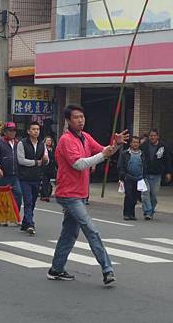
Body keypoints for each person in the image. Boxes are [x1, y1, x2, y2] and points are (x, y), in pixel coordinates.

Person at [48, 104, 128, 286]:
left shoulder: (85, 137)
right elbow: (79, 164)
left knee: (69, 234)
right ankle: (107, 269)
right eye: (76, 117)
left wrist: (116, 144)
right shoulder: (66, 140)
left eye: (82, 117)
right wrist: (104, 154)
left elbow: (103, 151)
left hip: (80, 193)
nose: (80, 120)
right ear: (68, 120)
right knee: (91, 230)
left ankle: (56, 269)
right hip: (69, 194)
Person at [16, 121, 48, 235]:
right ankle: (30, 224)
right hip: (24, 177)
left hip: (37, 177)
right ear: (28, 131)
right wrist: (36, 162)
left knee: (33, 202)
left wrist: (45, 160)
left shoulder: (42, 144)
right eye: (33, 129)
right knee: (28, 201)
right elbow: (21, 160)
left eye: (37, 129)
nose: (36, 131)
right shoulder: (22, 143)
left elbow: (46, 159)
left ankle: (25, 222)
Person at [0, 122, 23, 218]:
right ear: (5, 132)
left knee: (18, 193)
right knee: (3, 196)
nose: (12, 133)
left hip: (15, 174)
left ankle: (15, 215)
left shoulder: (18, 143)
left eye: (14, 130)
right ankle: (3, 216)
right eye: (10, 130)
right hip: (3, 174)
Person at [140, 129, 171, 220]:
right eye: (151, 136)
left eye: (154, 135)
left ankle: (151, 210)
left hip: (157, 175)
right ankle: (147, 211)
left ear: (157, 136)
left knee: (153, 195)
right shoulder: (144, 146)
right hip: (144, 174)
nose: (152, 137)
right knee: (145, 193)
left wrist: (168, 172)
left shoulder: (163, 147)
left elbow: (167, 160)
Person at [117, 136, 145, 221]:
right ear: (130, 143)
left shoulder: (142, 154)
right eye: (134, 142)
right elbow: (120, 166)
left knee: (135, 196)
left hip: (139, 178)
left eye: (137, 142)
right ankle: (126, 214)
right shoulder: (125, 153)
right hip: (128, 177)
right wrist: (122, 176)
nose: (135, 144)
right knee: (128, 195)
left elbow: (145, 165)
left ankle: (132, 214)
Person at [39, 135, 56, 202]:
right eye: (47, 141)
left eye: (50, 141)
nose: (49, 142)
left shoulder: (53, 149)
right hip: (44, 168)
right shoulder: (43, 149)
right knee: (45, 181)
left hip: (51, 168)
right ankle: (45, 195)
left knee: (48, 182)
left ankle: (45, 194)